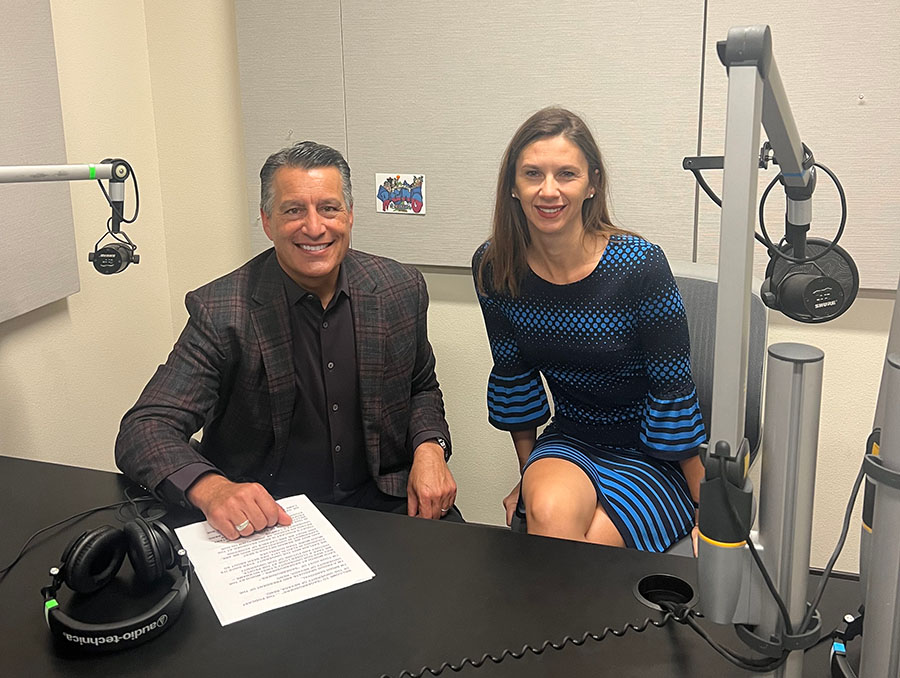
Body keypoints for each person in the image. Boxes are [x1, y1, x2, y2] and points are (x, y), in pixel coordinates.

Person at [116, 141, 458, 540]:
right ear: (266, 221)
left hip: (384, 501)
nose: (314, 227)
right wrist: (213, 489)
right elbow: (146, 427)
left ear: (349, 215)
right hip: (271, 516)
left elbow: (421, 387)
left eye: (328, 208)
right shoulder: (222, 311)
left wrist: (430, 447)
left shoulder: (401, 288)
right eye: (294, 210)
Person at [472, 107, 705, 553]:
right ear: (513, 187)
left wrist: (705, 502)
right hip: (570, 439)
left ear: (591, 183)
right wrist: (528, 477)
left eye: (566, 174)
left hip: (650, 454)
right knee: (549, 516)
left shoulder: (639, 265)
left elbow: (672, 389)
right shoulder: (494, 266)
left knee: (586, 555)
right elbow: (513, 375)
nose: (548, 190)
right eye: (532, 174)